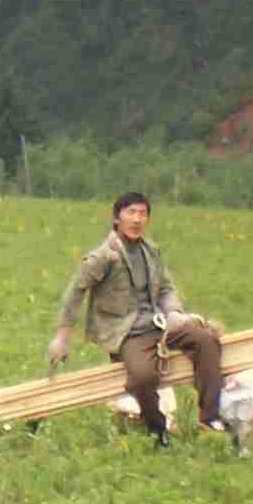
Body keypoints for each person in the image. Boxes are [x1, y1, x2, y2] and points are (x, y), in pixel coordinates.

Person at [46, 191, 230, 449]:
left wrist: (175, 313)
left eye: (142, 213)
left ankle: (210, 419)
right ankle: (157, 430)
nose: (137, 219)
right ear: (116, 218)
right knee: (143, 377)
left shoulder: (151, 251)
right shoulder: (103, 256)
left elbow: (166, 288)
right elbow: (75, 291)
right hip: (128, 333)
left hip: (160, 325)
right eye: (131, 212)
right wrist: (62, 338)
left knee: (207, 341)